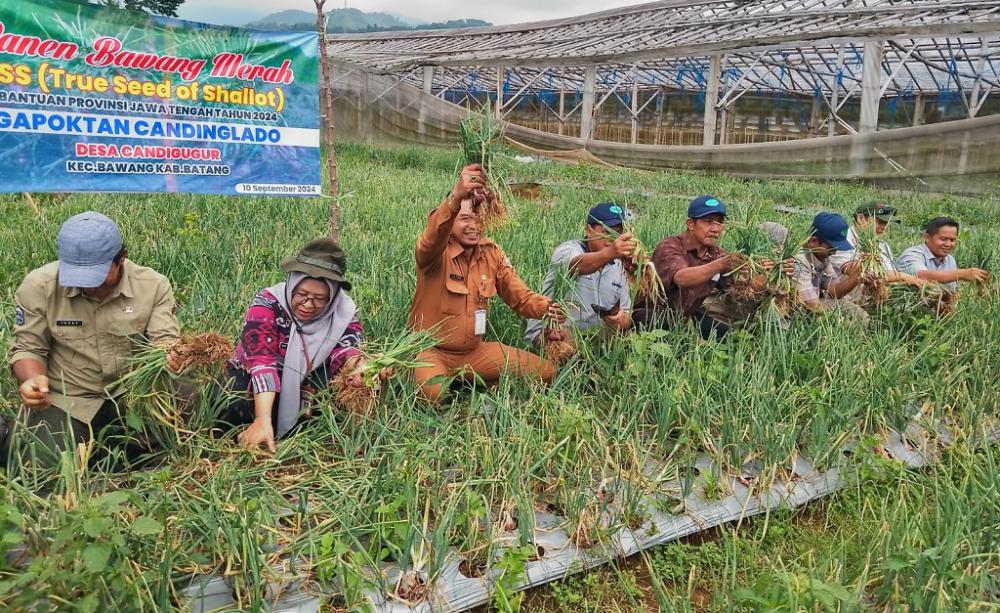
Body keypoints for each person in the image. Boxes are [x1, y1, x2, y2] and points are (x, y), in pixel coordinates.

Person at [7, 212, 179, 464]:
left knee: (160, 451)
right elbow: (27, 348)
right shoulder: (40, 286)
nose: (87, 285)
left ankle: (107, 447)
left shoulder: (153, 286)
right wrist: (33, 379)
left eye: (95, 275)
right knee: (40, 463)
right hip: (67, 398)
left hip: (130, 394)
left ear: (121, 258)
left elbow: (164, 342)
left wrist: (168, 356)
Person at [408, 164, 565, 403]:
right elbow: (431, 237)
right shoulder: (435, 253)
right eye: (464, 219)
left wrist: (546, 307)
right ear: (451, 221)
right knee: (434, 394)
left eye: (478, 218)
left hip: (473, 353)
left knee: (546, 372)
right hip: (432, 351)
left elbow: (520, 297)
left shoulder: (492, 254)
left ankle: (470, 379)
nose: (473, 226)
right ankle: (445, 379)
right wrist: (455, 197)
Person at [225, 238, 385, 452]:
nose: (308, 305)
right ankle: (258, 428)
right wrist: (262, 418)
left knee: (350, 385)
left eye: (320, 299)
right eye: (301, 295)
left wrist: (361, 366)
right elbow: (262, 361)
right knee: (232, 395)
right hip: (260, 386)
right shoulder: (268, 302)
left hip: (308, 383)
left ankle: (329, 435)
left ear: (333, 296)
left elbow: (344, 350)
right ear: (292, 284)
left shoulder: (343, 311)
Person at [633, 196, 777, 339]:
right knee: (665, 325)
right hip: (652, 313)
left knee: (727, 337)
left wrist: (767, 274)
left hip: (685, 316)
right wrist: (719, 265)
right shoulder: (670, 245)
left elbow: (740, 292)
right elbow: (681, 278)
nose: (716, 229)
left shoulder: (718, 255)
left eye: (720, 223)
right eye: (708, 222)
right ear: (690, 224)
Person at [524, 203, 635, 345]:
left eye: (618, 233)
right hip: (554, 332)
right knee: (566, 351)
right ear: (589, 231)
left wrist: (620, 320)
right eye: (607, 232)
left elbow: (626, 316)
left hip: (591, 337)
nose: (613, 239)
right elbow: (577, 265)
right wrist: (611, 252)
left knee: (630, 344)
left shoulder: (619, 267)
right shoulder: (567, 250)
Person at [828, 203, 926, 298]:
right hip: (847, 301)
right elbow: (858, 271)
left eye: (887, 223)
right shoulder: (842, 240)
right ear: (860, 218)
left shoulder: (883, 245)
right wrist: (904, 276)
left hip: (876, 301)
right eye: (880, 222)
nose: (884, 227)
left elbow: (889, 276)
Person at [792, 212, 866, 312]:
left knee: (853, 310)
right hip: (798, 311)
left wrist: (858, 274)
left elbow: (835, 291)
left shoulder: (822, 258)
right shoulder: (800, 261)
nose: (834, 253)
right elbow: (811, 305)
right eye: (831, 248)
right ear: (813, 241)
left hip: (813, 304)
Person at [896, 217, 990, 292]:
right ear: (927, 237)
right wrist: (962, 274)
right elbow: (921, 276)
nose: (948, 244)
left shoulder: (950, 260)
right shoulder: (912, 254)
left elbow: (952, 292)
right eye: (943, 239)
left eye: (952, 240)